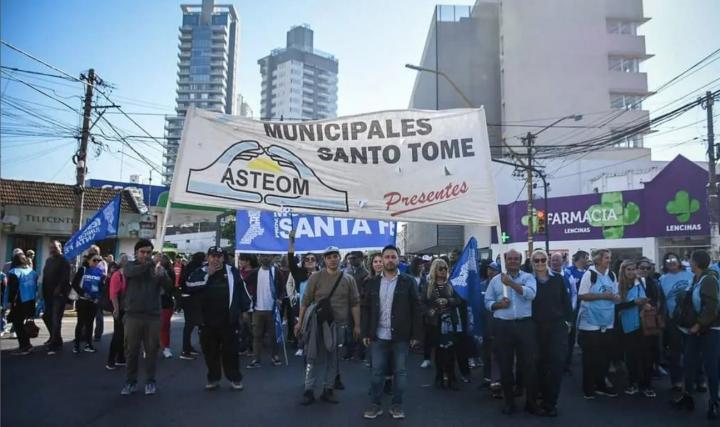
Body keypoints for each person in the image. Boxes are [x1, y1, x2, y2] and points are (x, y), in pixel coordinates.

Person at [361, 245, 422, 419]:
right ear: (382, 259)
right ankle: (375, 404)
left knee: (400, 373)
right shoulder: (372, 282)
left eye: (393, 257)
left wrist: (416, 335)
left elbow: (417, 309)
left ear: (398, 259)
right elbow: (365, 308)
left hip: (401, 336)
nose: (389, 260)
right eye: (386, 257)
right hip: (378, 336)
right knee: (376, 373)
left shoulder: (408, 281)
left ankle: (397, 405)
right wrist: (365, 332)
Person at [296, 245, 360, 406]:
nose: (332, 259)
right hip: (317, 324)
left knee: (334, 358)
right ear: (324, 259)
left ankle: (328, 389)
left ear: (340, 258)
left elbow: (355, 303)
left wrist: (357, 325)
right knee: (312, 357)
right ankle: (309, 389)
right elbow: (305, 301)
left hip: (339, 325)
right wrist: (300, 322)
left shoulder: (348, 279)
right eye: (329, 256)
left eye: (335, 256)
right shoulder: (316, 277)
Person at [187, 246, 251, 390]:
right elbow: (189, 285)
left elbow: (242, 290)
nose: (216, 259)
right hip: (207, 321)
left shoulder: (232, 271)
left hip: (228, 321)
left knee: (231, 352)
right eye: (213, 256)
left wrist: (246, 309)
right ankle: (213, 378)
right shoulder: (200, 271)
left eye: (219, 256)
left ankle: (235, 379)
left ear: (223, 258)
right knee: (210, 352)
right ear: (208, 257)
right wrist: (207, 275)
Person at [484, 249, 540, 415]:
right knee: (505, 365)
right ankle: (509, 402)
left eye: (516, 259)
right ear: (505, 261)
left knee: (529, 365)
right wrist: (498, 305)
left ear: (521, 261)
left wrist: (511, 284)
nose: (513, 261)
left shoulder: (528, 277)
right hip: (503, 326)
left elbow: (531, 294)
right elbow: (487, 301)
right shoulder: (495, 280)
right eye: (510, 259)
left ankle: (531, 402)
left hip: (525, 325)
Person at [120, 239, 173, 396]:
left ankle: (150, 381)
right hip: (132, 315)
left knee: (151, 351)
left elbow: (169, 287)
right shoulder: (130, 265)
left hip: (153, 316)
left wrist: (163, 275)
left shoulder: (157, 268)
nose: (146, 255)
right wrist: (150, 265)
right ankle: (130, 382)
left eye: (149, 252)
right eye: (142, 252)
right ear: (136, 253)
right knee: (131, 351)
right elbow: (131, 273)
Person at [673, 250, 720, 420]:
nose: (688, 263)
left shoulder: (709, 280)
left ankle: (714, 402)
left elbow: (712, 308)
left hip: (709, 330)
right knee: (689, 363)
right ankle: (688, 397)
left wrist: (698, 325)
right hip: (695, 329)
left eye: (691, 260)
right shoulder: (696, 278)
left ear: (696, 263)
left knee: (711, 367)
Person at [531, 250, 572, 417]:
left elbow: (566, 302)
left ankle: (551, 403)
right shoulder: (528, 280)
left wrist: (568, 322)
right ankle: (540, 396)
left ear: (547, 261)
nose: (540, 263)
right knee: (539, 366)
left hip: (557, 328)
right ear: (532, 262)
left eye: (542, 260)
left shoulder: (558, 279)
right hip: (536, 329)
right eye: (536, 260)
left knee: (556, 366)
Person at [576, 249, 621, 400]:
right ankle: (588, 388)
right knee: (590, 357)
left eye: (609, 257)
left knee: (605, 357)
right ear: (598, 260)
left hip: (607, 321)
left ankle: (601, 384)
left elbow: (615, 294)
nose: (609, 260)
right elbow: (582, 295)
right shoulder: (590, 275)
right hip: (590, 322)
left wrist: (616, 297)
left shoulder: (612, 275)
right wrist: (603, 295)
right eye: (606, 258)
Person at [423, 258, 467, 390]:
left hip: (450, 322)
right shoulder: (428, 286)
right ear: (434, 270)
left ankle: (452, 377)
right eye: (440, 268)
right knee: (438, 351)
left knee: (451, 351)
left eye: (445, 268)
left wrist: (448, 301)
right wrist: (429, 311)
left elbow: (459, 300)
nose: (443, 271)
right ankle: (439, 376)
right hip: (435, 322)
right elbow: (421, 302)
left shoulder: (451, 284)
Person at [614, 260, 655, 398]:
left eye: (633, 269)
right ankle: (632, 383)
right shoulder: (618, 286)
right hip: (627, 325)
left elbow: (645, 299)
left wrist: (646, 305)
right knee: (631, 357)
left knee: (646, 356)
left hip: (643, 324)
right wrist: (633, 303)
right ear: (623, 271)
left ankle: (647, 385)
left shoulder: (640, 283)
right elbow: (616, 307)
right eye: (628, 270)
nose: (631, 272)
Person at [659, 252, 694, 392]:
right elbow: (661, 301)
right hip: (673, 320)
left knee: (694, 351)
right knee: (675, 352)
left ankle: (698, 379)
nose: (671, 261)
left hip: (691, 318)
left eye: (674, 259)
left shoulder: (690, 275)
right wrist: (662, 319)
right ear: (665, 263)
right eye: (668, 260)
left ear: (679, 261)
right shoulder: (662, 279)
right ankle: (677, 381)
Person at [244, 253, 285, 368]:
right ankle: (256, 359)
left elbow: (282, 289)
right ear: (259, 257)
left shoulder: (276, 272)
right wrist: (249, 297)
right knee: (257, 336)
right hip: (258, 309)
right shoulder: (255, 272)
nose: (265, 258)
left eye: (267, 256)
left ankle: (275, 356)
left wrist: (280, 300)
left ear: (272, 257)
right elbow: (243, 284)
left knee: (273, 335)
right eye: (262, 255)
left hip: (272, 310)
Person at [287, 233, 318, 357]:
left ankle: (315, 347)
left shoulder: (322, 274)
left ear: (316, 262)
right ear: (304, 262)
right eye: (307, 259)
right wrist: (291, 242)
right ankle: (301, 345)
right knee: (301, 325)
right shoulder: (299, 274)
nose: (310, 261)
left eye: (312, 259)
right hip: (301, 305)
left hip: (317, 305)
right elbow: (290, 260)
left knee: (315, 327)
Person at [70, 253, 106, 354]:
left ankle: (88, 345)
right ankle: (76, 346)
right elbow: (74, 284)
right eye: (94, 260)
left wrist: (98, 298)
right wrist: (84, 293)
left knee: (90, 324)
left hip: (93, 302)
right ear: (88, 260)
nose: (96, 262)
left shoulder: (100, 272)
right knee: (80, 323)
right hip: (82, 301)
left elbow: (101, 287)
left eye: (98, 260)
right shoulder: (83, 269)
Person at [41, 240, 71, 355]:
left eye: (55, 247)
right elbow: (45, 276)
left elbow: (65, 278)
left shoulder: (64, 261)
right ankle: (55, 338)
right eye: (51, 247)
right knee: (46, 317)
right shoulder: (49, 260)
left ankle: (55, 344)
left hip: (59, 296)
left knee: (55, 320)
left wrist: (58, 289)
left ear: (60, 247)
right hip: (48, 295)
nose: (52, 249)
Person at [6, 253, 39, 355]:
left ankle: (25, 346)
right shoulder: (32, 272)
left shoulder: (14, 272)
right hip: (31, 301)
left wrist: (10, 302)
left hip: (20, 301)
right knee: (25, 324)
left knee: (18, 324)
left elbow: (13, 290)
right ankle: (27, 345)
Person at [563, 250, 589, 373]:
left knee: (584, 336)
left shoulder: (588, 273)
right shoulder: (568, 271)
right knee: (569, 338)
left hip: (585, 310)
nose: (587, 260)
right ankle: (565, 364)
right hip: (572, 310)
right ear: (580, 258)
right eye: (586, 257)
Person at [179, 252, 205, 360]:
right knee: (190, 325)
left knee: (190, 325)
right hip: (192, 299)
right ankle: (185, 350)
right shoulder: (196, 270)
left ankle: (188, 347)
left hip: (186, 298)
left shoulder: (188, 267)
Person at [106, 256, 128, 370]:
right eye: (125, 259)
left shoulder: (125, 275)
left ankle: (120, 357)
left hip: (125, 308)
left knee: (122, 334)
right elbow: (113, 294)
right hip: (119, 308)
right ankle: (111, 360)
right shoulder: (117, 275)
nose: (127, 261)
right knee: (118, 335)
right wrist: (116, 309)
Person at [159, 254, 176, 359]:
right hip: (156, 303)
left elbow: (170, 287)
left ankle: (166, 348)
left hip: (165, 303)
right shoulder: (154, 271)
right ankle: (151, 347)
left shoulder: (170, 272)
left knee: (164, 326)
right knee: (153, 327)